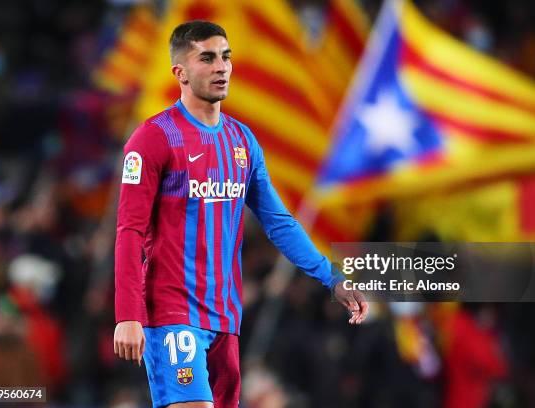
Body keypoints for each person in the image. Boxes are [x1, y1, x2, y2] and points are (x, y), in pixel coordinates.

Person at [113, 20, 368, 408]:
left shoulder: (242, 142)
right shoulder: (153, 139)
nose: (221, 67)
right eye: (207, 58)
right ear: (179, 72)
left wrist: (331, 276)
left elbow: (279, 222)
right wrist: (127, 314)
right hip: (171, 313)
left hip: (225, 318)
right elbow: (129, 230)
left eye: (226, 57)